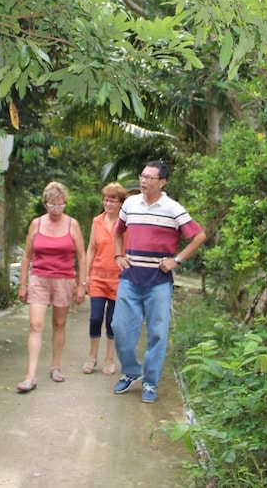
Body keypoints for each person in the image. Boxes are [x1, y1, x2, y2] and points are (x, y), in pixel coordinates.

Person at [112, 161, 206, 403]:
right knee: (119, 328)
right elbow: (118, 231)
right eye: (142, 176)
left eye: (149, 178)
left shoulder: (173, 209)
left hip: (158, 282)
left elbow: (199, 236)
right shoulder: (131, 204)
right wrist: (119, 255)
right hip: (130, 278)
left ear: (162, 182)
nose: (143, 181)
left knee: (157, 334)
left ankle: (150, 383)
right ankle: (132, 371)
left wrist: (177, 260)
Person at [16, 182, 87, 392]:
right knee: (36, 325)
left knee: (59, 323)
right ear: (45, 204)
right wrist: (22, 284)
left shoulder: (72, 224)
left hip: (64, 279)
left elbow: (82, 256)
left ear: (65, 203)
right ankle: (30, 375)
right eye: (52, 205)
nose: (56, 209)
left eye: (60, 205)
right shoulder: (36, 224)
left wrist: (82, 285)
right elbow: (27, 255)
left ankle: (56, 366)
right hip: (39, 278)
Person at [81, 182, 128, 376]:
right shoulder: (96, 221)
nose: (108, 204)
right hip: (98, 277)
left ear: (120, 203)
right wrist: (86, 275)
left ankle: (110, 359)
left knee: (112, 321)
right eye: (106, 200)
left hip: (118, 279)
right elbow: (91, 248)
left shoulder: (126, 225)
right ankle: (92, 357)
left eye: (112, 200)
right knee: (95, 317)